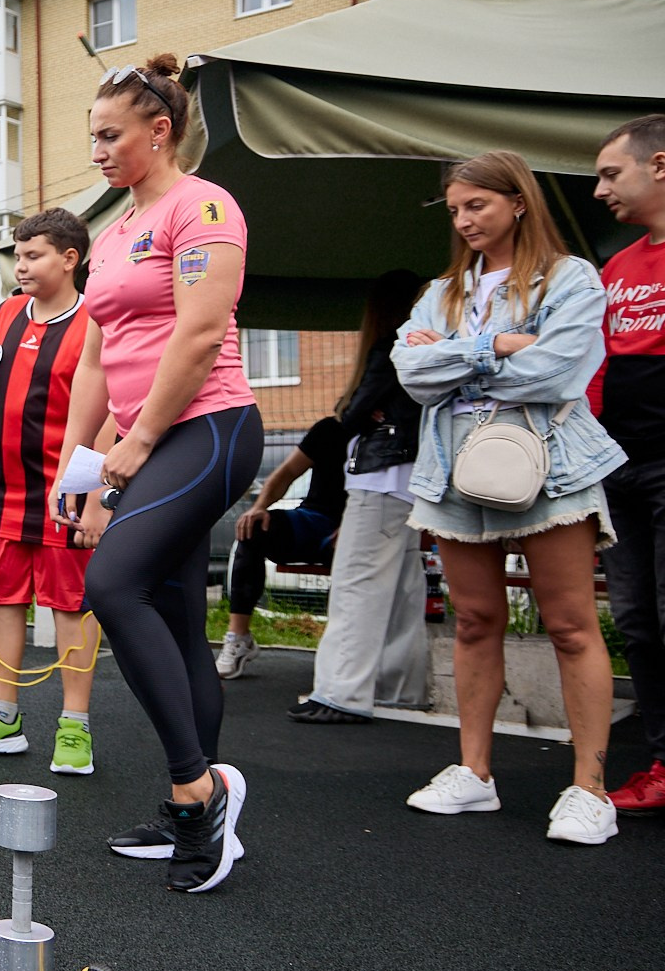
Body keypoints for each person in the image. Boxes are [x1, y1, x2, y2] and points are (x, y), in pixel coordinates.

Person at [51, 56, 261, 893]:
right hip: (142, 438)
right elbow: (99, 356)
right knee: (176, 624)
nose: (97, 150)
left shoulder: (202, 206)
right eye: (93, 136)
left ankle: (196, 786)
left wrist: (132, 453)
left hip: (207, 429)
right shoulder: (109, 235)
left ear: (159, 131)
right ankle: (194, 804)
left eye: (111, 135)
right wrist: (84, 462)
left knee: (114, 582)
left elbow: (201, 335)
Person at [392, 150, 623, 846]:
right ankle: (474, 771)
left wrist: (458, 351)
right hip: (455, 467)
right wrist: (498, 345)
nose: (464, 220)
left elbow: (559, 370)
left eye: (477, 206)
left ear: (517, 200)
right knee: (474, 620)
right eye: (456, 209)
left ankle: (590, 787)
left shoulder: (570, 277)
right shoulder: (443, 289)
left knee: (571, 623)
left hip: (549, 463)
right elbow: (410, 371)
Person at [0, 208, 101, 773]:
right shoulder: (5, 314)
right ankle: (1, 717)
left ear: (69, 258)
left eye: (32, 255)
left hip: (66, 493)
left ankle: (75, 727)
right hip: (4, 489)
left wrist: (92, 491)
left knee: (70, 606)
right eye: (17, 254)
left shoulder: (95, 323)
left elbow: (109, 411)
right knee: (0, 598)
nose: (20, 265)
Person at [289, 269, 431, 723]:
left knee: (356, 584)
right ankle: (399, 688)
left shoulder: (389, 346)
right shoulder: (423, 345)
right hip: (412, 478)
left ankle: (340, 692)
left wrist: (357, 411)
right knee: (405, 589)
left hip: (378, 475)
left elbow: (346, 417)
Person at [592, 115, 665, 814]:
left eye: (611, 173)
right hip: (621, 470)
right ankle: (661, 761)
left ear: (660, 165)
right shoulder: (617, 267)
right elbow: (595, 370)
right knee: (639, 620)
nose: (599, 189)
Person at [213, 415, 348, 679]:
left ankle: (344, 646)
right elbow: (286, 472)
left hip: (361, 525)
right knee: (253, 530)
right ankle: (239, 638)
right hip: (316, 521)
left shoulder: (387, 434)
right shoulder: (331, 429)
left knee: (351, 551)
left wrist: (354, 525)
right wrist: (258, 507)